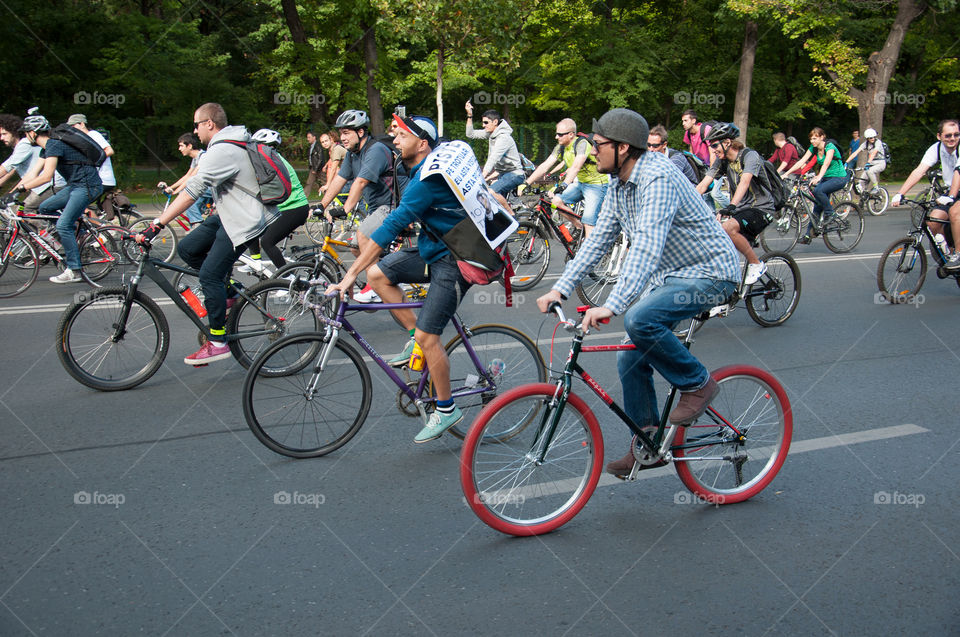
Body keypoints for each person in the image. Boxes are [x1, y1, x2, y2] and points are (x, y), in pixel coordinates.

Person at [535, 108, 740, 477]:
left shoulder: (658, 176)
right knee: (630, 355)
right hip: (672, 277)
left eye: (598, 145)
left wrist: (612, 304)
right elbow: (598, 240)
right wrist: (560, 288)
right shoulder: (617, 182)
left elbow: (646, 245)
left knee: (640, 319)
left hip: (711, 273)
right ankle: (646, 441)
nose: (593, 151)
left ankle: (698, 384)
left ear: (623, 147)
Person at [326, 114, 477, 444]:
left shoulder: (426, 181)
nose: (394, 140)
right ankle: (413, 336)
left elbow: (389, 228)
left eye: (402, 135)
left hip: (452, 262)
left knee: (430, 337)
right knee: (377, 274)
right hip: (432, 250)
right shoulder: (417, 170)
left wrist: (349, 275)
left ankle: (447, 408)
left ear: (422, 144)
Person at [137, 102, 279, 364]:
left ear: (209, 124)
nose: (194, 130)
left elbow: (192, 192)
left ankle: (217, 340)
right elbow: (195, 185)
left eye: (197, 124)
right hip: (228, 216)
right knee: (187, 249)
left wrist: (157, 225)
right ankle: (230, 292)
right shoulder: (222, 147)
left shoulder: (223, 149)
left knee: (209, 275)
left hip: (242, 221)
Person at [317, 110, 396, 302]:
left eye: (346, 133)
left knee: (363, 235)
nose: (342, 138)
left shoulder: (375, 150)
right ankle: (390, 275)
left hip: (392, 205)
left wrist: (344, 210)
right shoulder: (353, 154)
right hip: (375, 208)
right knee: (354, 246)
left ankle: (375, 285)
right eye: (341, 133)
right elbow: (340, 179)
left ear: (360, 132)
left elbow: (360, 183)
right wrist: (321, 204)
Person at [16, 113, 103, 283]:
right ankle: (79, 236)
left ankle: (74, 270)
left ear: (33, 132)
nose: (25, 136)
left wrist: (23, 188)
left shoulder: (55, 144)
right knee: (45, 208)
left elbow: (46, 177)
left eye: (25, 132)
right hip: (75, 186)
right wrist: (13, 192)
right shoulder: (47, 147)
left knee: (63, 224)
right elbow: (33, 173)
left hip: (87, 186)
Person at [695, 122, 774, 285]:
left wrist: (731, 206)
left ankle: (756, 264)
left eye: (715, 145)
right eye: (711, 145)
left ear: (727, 143)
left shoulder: (750, 156)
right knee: (712, 237)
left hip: (761, 208)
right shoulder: (721, 161)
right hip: (742, 210)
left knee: (728, 227)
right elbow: (703, 185)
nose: (713, 149)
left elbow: (745, 182)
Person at [520, 118, 609, 237]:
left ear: (571, 134)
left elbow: (576, 167)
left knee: (589, 222)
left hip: (596, 184)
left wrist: (564, 185)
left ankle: (588, 253)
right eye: (556, 134)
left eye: (560, 134)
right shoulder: (561, 147)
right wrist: (526, 183)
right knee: (556, 201)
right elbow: (545, 165)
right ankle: (578, 226)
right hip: (581, 183)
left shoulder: (582, 144)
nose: (557, 137)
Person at [241, 129, 309, 271]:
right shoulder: (269, 160)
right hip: (283, 207)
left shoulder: (272, 162)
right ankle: (256, 262)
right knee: (251, 224)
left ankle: (286, 277)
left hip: (295, 207)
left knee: (267, 242)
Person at [782, 127, 849, 244]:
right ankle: (808, 236)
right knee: (817, 206)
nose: (812, 141)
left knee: (818, 191)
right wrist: (786, 174)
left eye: (815, 138)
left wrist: (818, 177)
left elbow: (826, 163)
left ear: (822, 137)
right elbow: (801, 161)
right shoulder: (813, 148)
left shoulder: (830, 147)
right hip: (827, 178)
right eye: (811, 139)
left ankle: (831, 213)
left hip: (839, 177)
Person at [892, 118, 959, 207]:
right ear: (939, 136)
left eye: (956, 135)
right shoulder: (936, 148)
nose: (952, 138)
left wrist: (951, 196)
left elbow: (958, 172)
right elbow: (919, 171)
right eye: (948, 135)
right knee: (933, 219)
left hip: (953, 193)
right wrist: (900, 194)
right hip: (952, 191)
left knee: (954, 214)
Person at [0, 114, 59, 213]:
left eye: (4, 134)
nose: (1, 138)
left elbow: (6, 168)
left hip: (48, 185)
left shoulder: (24, 145)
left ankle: (51, 229)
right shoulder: (20, 147)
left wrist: (12, 193)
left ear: (14, 132)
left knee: (24, 211)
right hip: (42, 186)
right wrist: (12, 193)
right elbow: (12, 172)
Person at [464, 102, 525, 196]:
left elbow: (494, 158)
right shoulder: (490, 133)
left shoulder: (503, 137)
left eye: (486, 122)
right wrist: (469, 115)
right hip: (503, 174)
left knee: (491, 193)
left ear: (495, 122)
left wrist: (483, 175)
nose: (483, 125)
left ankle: (510, 212)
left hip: (515, 174)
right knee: (495, 203)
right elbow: (470, 134)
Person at [157, 133, 211, 224]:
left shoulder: (203, 157)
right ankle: (198, 226)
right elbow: (187, 176)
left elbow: (191, 177)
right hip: (204, 188)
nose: (179, 149)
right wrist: (172, 188)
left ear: (189, 146)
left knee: (187, 197)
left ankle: (197, 226)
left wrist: (177, 191)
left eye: (181, 146)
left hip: (211, 188)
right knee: (190, 202)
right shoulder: (195, 158)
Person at [681, 109, 728, 208]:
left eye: (686, 120)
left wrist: (712, 170)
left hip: (714, 166)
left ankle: (734, 210)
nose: (683, 123)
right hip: (702, 168)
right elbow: (691, 151)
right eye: (682, 121)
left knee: (715, 193)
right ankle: (711, 217)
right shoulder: (688, 133)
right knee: (706, 195)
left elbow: (713, 152)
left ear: (693, 121)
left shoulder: (705, 130)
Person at [67, 114, 116, 197]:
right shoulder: (82, 138)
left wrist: (91, 162)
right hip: (92, 181)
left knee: (75, 201)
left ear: (82, 124)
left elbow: (109, 150)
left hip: (102, 180)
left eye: (73, 125)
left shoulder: (93, 134)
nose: (71, 128)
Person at [318, 130, 346, 195]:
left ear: (331, 140)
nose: (325, 143)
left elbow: (334, 168)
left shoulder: (336, 149)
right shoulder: (332, 149)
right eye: (322, 142)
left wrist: (328, 184)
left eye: (326, 141)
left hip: (352, 176)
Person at [304, 130, 324, 198]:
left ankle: (332, 195)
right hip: (314, 167)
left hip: (318, 168)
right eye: (307, 137)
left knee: (325, 182)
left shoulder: (318, 146)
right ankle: (304, 198)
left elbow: (320, 158)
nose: (308, 139)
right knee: (309, 183)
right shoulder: (311, 146)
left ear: (314, 137)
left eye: (309, 137)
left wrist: (315, 169)